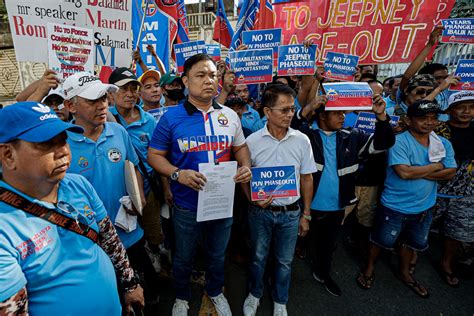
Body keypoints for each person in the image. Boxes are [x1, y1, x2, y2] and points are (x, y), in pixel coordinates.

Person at [0, 102, 144, 314]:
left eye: (63, 141)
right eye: (46, 144)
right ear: (8, 155)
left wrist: (130, 283)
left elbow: (109, 239)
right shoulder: (5, 226)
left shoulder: (78, 184)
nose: (63, 152)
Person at [148, 53, 252, 316]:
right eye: (201, 75)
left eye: (213, 75)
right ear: (185, 81)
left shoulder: (229, 116)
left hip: (221, 201)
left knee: (217, 254)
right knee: (183, 256)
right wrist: (176, 174)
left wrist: (245, 166)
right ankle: (182, 296)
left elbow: (240, 148)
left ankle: (215, 291)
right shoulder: (171, 118)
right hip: (186, 205)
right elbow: (154, 156)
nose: (209, 81)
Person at [62, 72, 157, 306]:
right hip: (88, 243)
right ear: (70, 106)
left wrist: (138, 199)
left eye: (104, 98)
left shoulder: (119, 133)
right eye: (92, 100)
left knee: (149, 293)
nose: (102, 105)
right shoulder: (59, 143)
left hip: (129, 233)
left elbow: (133, 166)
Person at [297, 87, 395, 297]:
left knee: (328, 244)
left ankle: (323, 274)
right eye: (337, 113)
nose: (343, 117)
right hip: (305, 205)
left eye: (344, 113)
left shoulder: (352, 136)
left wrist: (381, 117)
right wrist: (307, 108)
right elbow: (288, 128)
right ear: (322, 115)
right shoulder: (305, 135)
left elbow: (384, 143)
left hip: (337, 205)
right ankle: (298, 254)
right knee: (300, 238)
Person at [357, 100, 457, 298]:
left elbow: (450, 172)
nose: (429, 123)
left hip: (424, 207)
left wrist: (416, 171)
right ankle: (368, 269)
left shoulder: (442, 143)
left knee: (410, 243)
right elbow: (403, 173)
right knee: (380, 240)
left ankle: (404, 273)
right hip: (394, 206)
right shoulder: (398, 141)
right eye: (422, 118)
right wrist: (435, 167)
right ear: (408, 120)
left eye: (433, 118)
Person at [242, 84, 316, 316]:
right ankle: (255, 293)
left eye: (292, 109)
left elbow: (306, 178)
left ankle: (280, 299)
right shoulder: (251, 142)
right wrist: (251, 200)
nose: (289, 114)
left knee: (284, 261)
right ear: (267, 111)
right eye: (283, 110)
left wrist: (306, 214)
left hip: (291, 213)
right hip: (260, 213)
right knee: (257, 257)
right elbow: (244, 178)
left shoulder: (302, 140)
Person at [434, 91, 474, 287]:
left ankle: (446, 263)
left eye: (471, 107)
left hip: (466, 192)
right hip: (433, 188)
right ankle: (409, 259)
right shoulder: (437, 129)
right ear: (450, 110)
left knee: (456, 232)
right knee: (418, 226)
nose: (467, 111)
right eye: (461, 107)